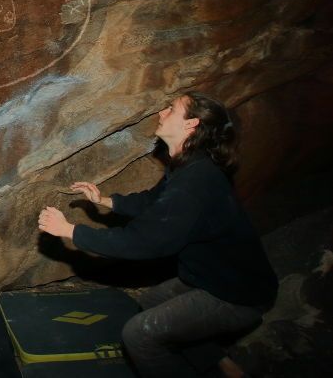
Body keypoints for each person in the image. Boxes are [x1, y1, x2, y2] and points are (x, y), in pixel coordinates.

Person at [37, 92, 278, 378]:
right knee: (150, 302)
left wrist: (70, 231)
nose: (161, 113)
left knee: (140, 334)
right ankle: (221, 364)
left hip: (237, 295)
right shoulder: (189, 164)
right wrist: (104, 200)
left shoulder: (195, 184)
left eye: (171, 109)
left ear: (191, 124)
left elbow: (143, 241)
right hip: (210, 277)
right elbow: (154, 201)